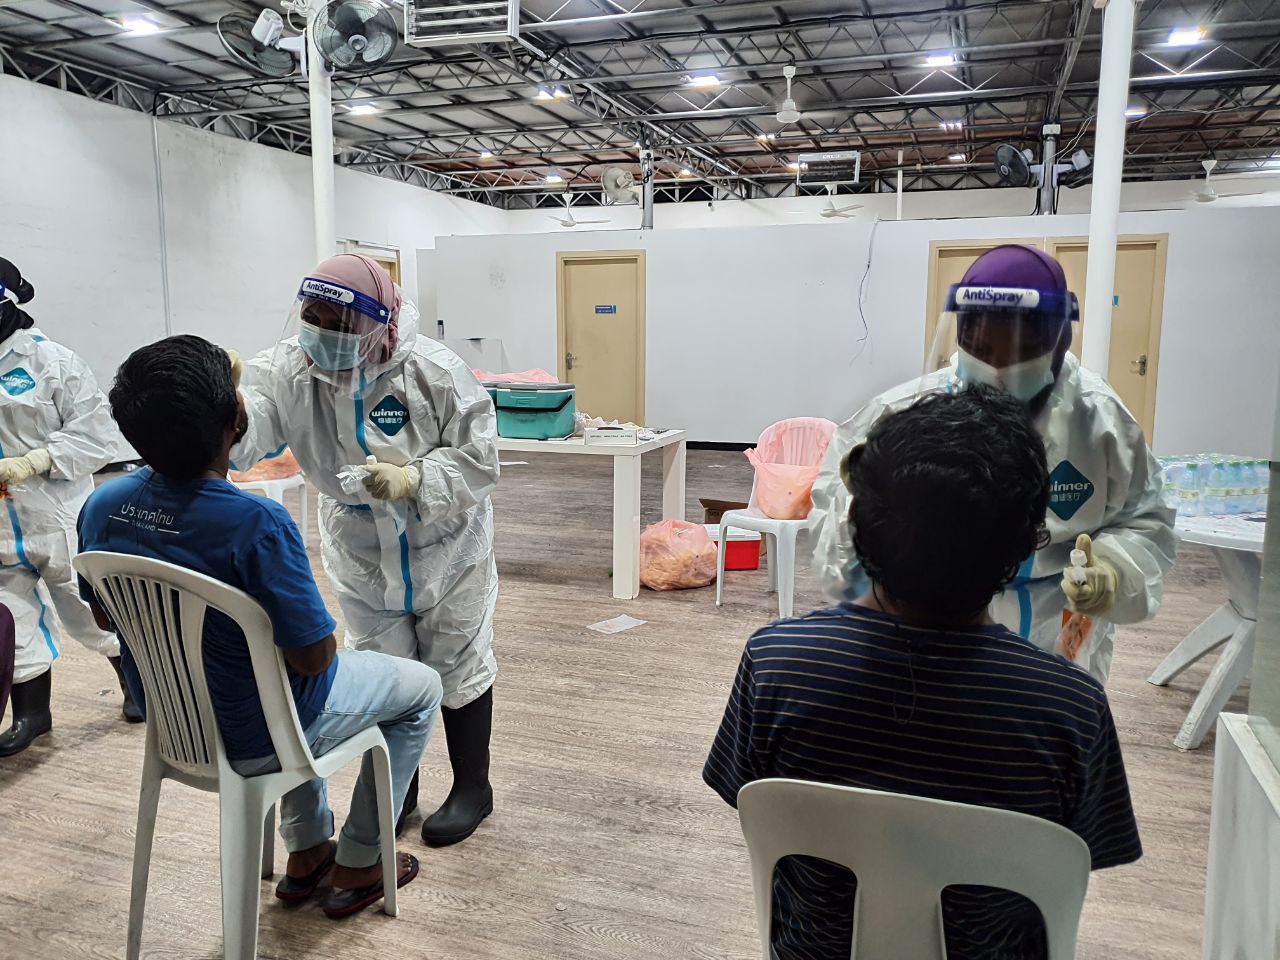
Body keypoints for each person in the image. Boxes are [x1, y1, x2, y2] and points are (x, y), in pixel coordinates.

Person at [705, 387, 1142, 960]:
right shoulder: (1070, 708)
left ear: (857, 523)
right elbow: (1081, 853)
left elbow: (749, 801)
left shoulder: (777, 664)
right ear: (1023, 548)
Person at [78, 335, 443, 917]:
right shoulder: (257, 523)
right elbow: (314, 658)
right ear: (236, 420)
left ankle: (307, 851)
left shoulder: (102, 506)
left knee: (268, 679)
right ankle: (361, 858)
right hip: (255, 738)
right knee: (420, 689)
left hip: (175, 725)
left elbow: (105, 614)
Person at [811, 244, 1175, 683]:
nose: (998, 369)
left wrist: (1113, 570)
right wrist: (860, 505)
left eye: (1020, 352)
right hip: (930, 634)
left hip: (1053, 640)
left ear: (1059, 342)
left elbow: (1145, 519)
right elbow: (837, 549)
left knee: (1042, 719)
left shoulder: (1101, 425)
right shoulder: (903, 415)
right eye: (981, 349)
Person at [232, 254, 499, 846]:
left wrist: (415, 479)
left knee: (457, 658)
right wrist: (228, 405)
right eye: (312, 318)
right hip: (358, 544)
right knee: (384, 665)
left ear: (381, 326)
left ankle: (472, 788)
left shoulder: (433, 370)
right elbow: (247, 439)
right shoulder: (285, 371)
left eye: (337, 324)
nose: (320, 334)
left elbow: (480, 459)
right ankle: (395, 790)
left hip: (442, 539)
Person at [0, 256, 138, 758]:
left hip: (56, 515)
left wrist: (37, 460)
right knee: (12, 617)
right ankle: (33, 714)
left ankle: (134, 685)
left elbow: (97, 437)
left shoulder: (51, 362)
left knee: (89, 608)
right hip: (0, 525)